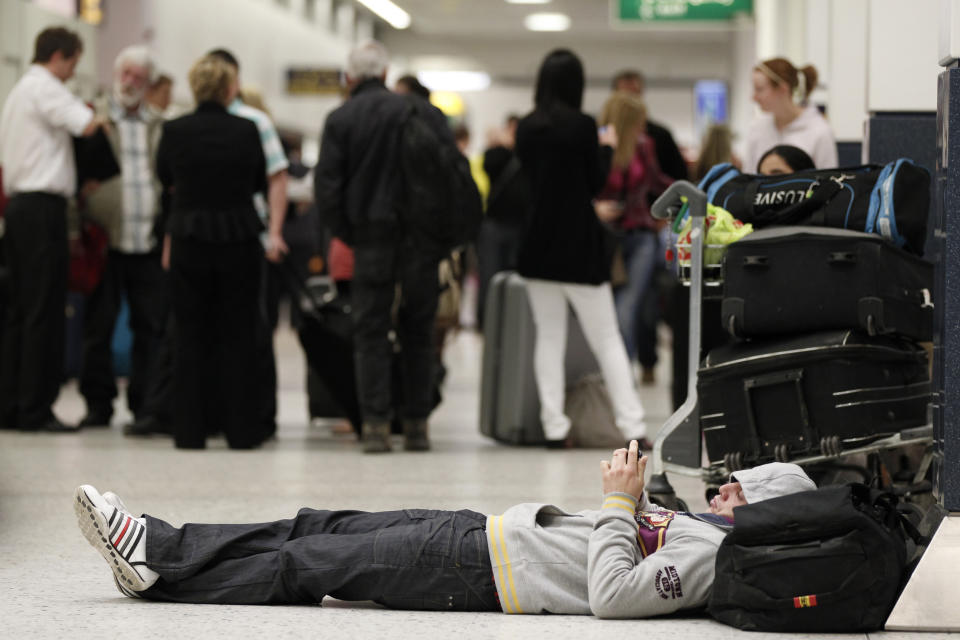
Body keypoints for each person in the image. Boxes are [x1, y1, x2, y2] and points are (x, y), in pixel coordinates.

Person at [74, 441, 816, 616]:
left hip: (479, 573)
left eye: (735, 490)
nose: (719, 490)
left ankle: (160, 571)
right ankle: (159, 542)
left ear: (754, 509)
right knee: (315, 522)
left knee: (312, 563)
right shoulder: (701, 528)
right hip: (480, 531)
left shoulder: (714, 552)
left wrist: (622, 503)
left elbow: (614, 595)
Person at [314, 41, 452, 453]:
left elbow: (327, 189)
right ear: (387, 73)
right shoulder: (425, 113)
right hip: (421, 243)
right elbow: (449, 180)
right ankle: (416, 424)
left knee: (370, 331)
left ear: (350, 77)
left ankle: (374, 426)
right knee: (419, 332)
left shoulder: (341, 119)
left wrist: (351, 233)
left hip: (371, 239)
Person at [516, 50, 648, 448]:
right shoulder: (583, 126)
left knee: (549, 337)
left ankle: (554, 427)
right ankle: (633, 426)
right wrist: (606, 148)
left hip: (536, 245)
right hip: (579, 245)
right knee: (606, 337)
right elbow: (593, 184)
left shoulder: (526, 126)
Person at [155, 55, 267, 449]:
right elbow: (258, 181)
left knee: (189, 334)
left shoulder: (174, 129)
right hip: (238, 236)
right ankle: (242, 431)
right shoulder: (247, 130)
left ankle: (189, 431)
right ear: (228, 88)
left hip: (189, 237)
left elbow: (164, 176)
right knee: (238, 334)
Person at [0, 27, 104, 432]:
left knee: (20, 312)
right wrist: (101, 117)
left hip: (20, 209)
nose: (72, 72)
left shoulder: (19, 90)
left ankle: (11, 404)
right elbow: (86, 124)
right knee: (43, 310)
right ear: (59, 56)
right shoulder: (45, 86)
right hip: (42, 209)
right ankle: (35, 409)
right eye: (74, 63)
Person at [77, 46, 168, 433]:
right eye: (126, 74)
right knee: (98, 326)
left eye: (139, 77)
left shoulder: (161, 124)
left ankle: (145, 403)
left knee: (151, 327)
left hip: (147, 239)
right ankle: (99, 405)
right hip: (105, 239)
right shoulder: (92, 121)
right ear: (116, 75)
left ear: (149, 83)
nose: (131, 82)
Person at [207, 48, 289, 441]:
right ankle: (220, 412)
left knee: (254, 330)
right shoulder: (195, 123)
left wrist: (273, 232)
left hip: (250, 240)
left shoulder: (255, 121)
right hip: (209, 240)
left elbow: (278, 178)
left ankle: (260, 414)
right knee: (215, 330)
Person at [595, 92, 673, 387]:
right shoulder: (598, 145)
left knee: (626, 310)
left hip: (640, 235)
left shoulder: (644, 146)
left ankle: (619, 380)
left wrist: (687, 192)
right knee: (606, 312)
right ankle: (611, 378)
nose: (644, 127)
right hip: (605, 238)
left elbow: (655, 181)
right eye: (639, 122)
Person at [475, 114, 531, 330]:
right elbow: (489, 165)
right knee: (489, 275)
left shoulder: (527, 156)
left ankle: (510, 322)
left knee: (513, 275)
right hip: (494, 225)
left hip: (519, 226)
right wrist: (502, 145)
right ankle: (487, 321)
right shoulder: (496, 155)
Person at [743, 57, 837, 173]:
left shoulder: (819, 131)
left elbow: (829, 183)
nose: (753, 97)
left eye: (759, 89)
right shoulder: (757, 128)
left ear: (783, 88)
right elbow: (748, 177)